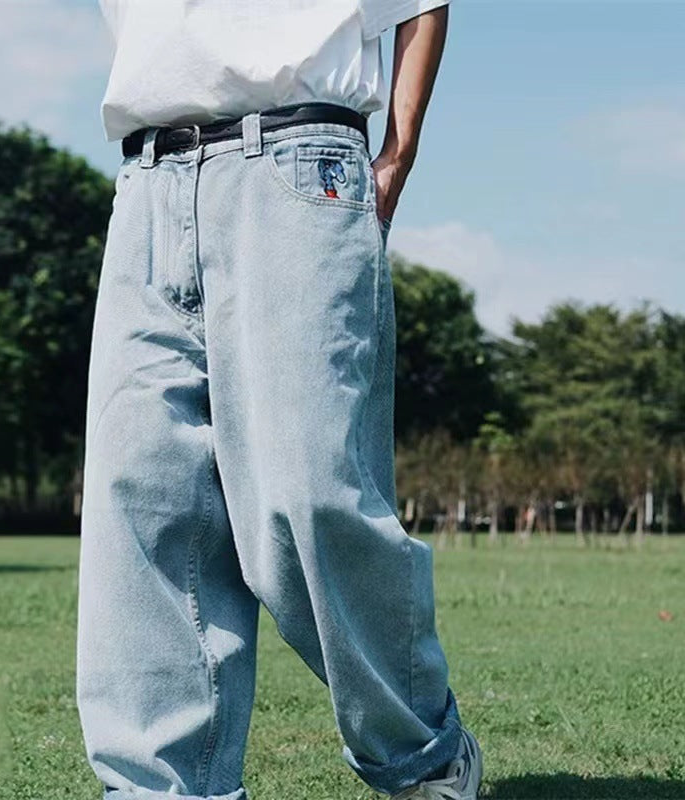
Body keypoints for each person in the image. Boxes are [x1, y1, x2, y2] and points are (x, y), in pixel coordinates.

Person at [76, 1, 483, 799]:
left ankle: (424, 755)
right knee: (144, 505)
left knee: (306, 496)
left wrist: (396, 158)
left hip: (297, 161)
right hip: (147, 181)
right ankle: (161, 786)